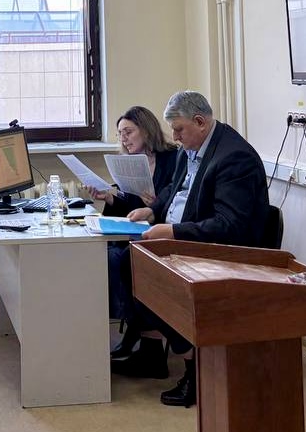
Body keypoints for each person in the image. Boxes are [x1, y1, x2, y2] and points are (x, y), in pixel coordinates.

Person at [115, 90, 270, 408]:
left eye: (179, 129)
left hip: (216, 250)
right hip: (182, 239)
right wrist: (152, 211)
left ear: (200, 122)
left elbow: (230, 226)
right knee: (124, 263)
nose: (174, 137)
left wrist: (172, 231)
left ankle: (194, 366)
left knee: (138, 271)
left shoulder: (234, 158)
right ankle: (162, 352)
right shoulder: (193, 148)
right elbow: (175, 190)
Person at [82, 106, 179, 357]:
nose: (123, 139)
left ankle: (137, 329)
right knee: (105, 254)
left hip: (162, 232)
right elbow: (130, 207)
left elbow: (180, 203)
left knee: (117, 259)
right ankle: (133, 326)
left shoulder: (172, 159)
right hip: (134, 231)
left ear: (146, 130)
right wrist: (109, 198)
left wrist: (156, 205)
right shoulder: (129, 163)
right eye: (120, 134)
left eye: (128, 132)